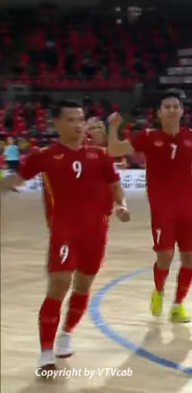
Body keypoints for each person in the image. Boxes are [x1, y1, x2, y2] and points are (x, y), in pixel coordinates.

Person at [0, 99, 130, 373]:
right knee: (59, 284)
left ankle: (67, 334)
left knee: (83, 287)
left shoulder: (99, 155)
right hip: (64, 232)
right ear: (57, 123)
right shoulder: (44, 156)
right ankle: (46, 353)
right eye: (71, 119)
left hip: (97, 233)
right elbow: (14, 180)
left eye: (81, 119)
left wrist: (121, 204)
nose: (78, 124)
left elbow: (116, 186)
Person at [106, 89, 192, 323]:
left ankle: (179, 304)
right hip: (162, 210)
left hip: (188, 209)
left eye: (175, 106)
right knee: (165, 257)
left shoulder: (191, 137)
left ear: (182, 111)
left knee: (189, 259)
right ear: (159, 113)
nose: (172, 110)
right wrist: (113, 127)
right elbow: (114, 150)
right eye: (167, 107)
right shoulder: (148, 137)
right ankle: (159, 291)